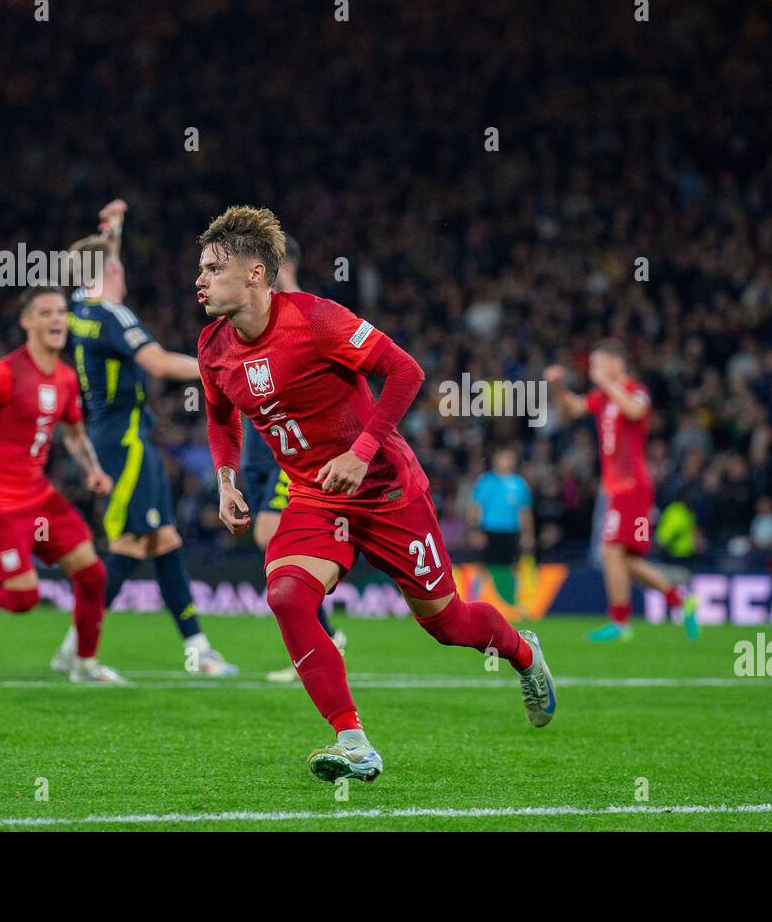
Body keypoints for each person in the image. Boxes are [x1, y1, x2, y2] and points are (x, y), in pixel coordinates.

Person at [194, 205, 556, 782]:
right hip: (315, 495)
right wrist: (226, 480)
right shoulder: (212, 347)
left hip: (387, 490)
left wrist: (361, 451)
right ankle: (353, 740)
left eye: (213, 269)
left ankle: (523, 653)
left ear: (255, 273)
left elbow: (406, 371)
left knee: (448, 624)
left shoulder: (317, 320)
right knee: (287, 594)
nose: (201, 281)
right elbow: (219, 419)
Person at [61, 199, 237, 676]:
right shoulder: (114, 318)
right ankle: (78, 646)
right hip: (124, 444)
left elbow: (98, 261)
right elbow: (157, 363)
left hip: (119, 437)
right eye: (118, 262)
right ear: (111, 270)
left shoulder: (80, 306)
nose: (124, 268)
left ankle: (197, 647)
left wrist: (113, 229)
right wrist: (215, 368)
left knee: (163, 538)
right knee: (131, 544)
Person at [0, 285, 124, 684]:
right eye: (45, 313)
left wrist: (92, 468)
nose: (56, 319)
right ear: (27, 322)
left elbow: (73, 433)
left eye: (60, 312)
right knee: (24, 598)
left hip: (41, 498)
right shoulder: (4, 372)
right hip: (1, 504)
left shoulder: (66, 379)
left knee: (92, 574)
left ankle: (82, 662)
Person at [241, 236, 348, 684]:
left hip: (295, 456)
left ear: (281, 270)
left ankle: (320, 639)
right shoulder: (251, 322)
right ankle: (324, 635)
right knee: (265, 540)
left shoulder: (308, 317)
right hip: (260, 452)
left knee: (272, 536)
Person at [546, 341, 698, 641]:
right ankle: (679, 599)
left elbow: (635, 411)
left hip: (633, 485)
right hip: (616, 488)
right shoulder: (602, 397)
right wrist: (558, 387)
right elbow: (572, 409)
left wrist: (607, 382)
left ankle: (621, 622)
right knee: (623, 558)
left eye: (598, 364)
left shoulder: (635, 390)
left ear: (616, 364)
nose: (593, 371)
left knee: (610, 550)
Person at [468, 446, 535, 604]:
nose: (506, 461)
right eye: (503, 457)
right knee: (483, 566)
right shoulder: (486, 481)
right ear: (495, 460)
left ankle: (515, 602)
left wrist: (527, 534)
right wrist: (475, 530)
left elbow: (525, 511)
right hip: (490, 530)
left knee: (514, 567)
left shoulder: (519, 484)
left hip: (511, 530)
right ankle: (472, 600)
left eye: (509, 457)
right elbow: (476, 507)